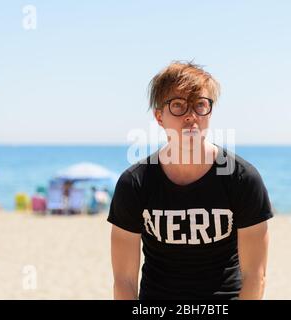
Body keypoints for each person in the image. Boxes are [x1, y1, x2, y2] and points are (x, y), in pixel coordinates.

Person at [107, 61, 273, 300]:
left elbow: (255, 277)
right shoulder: (135, 184)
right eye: (178, 105)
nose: (191, 116)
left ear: (210, 112)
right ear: (159, 116)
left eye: (200, 105)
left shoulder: (242, 179)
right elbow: (124, 280)